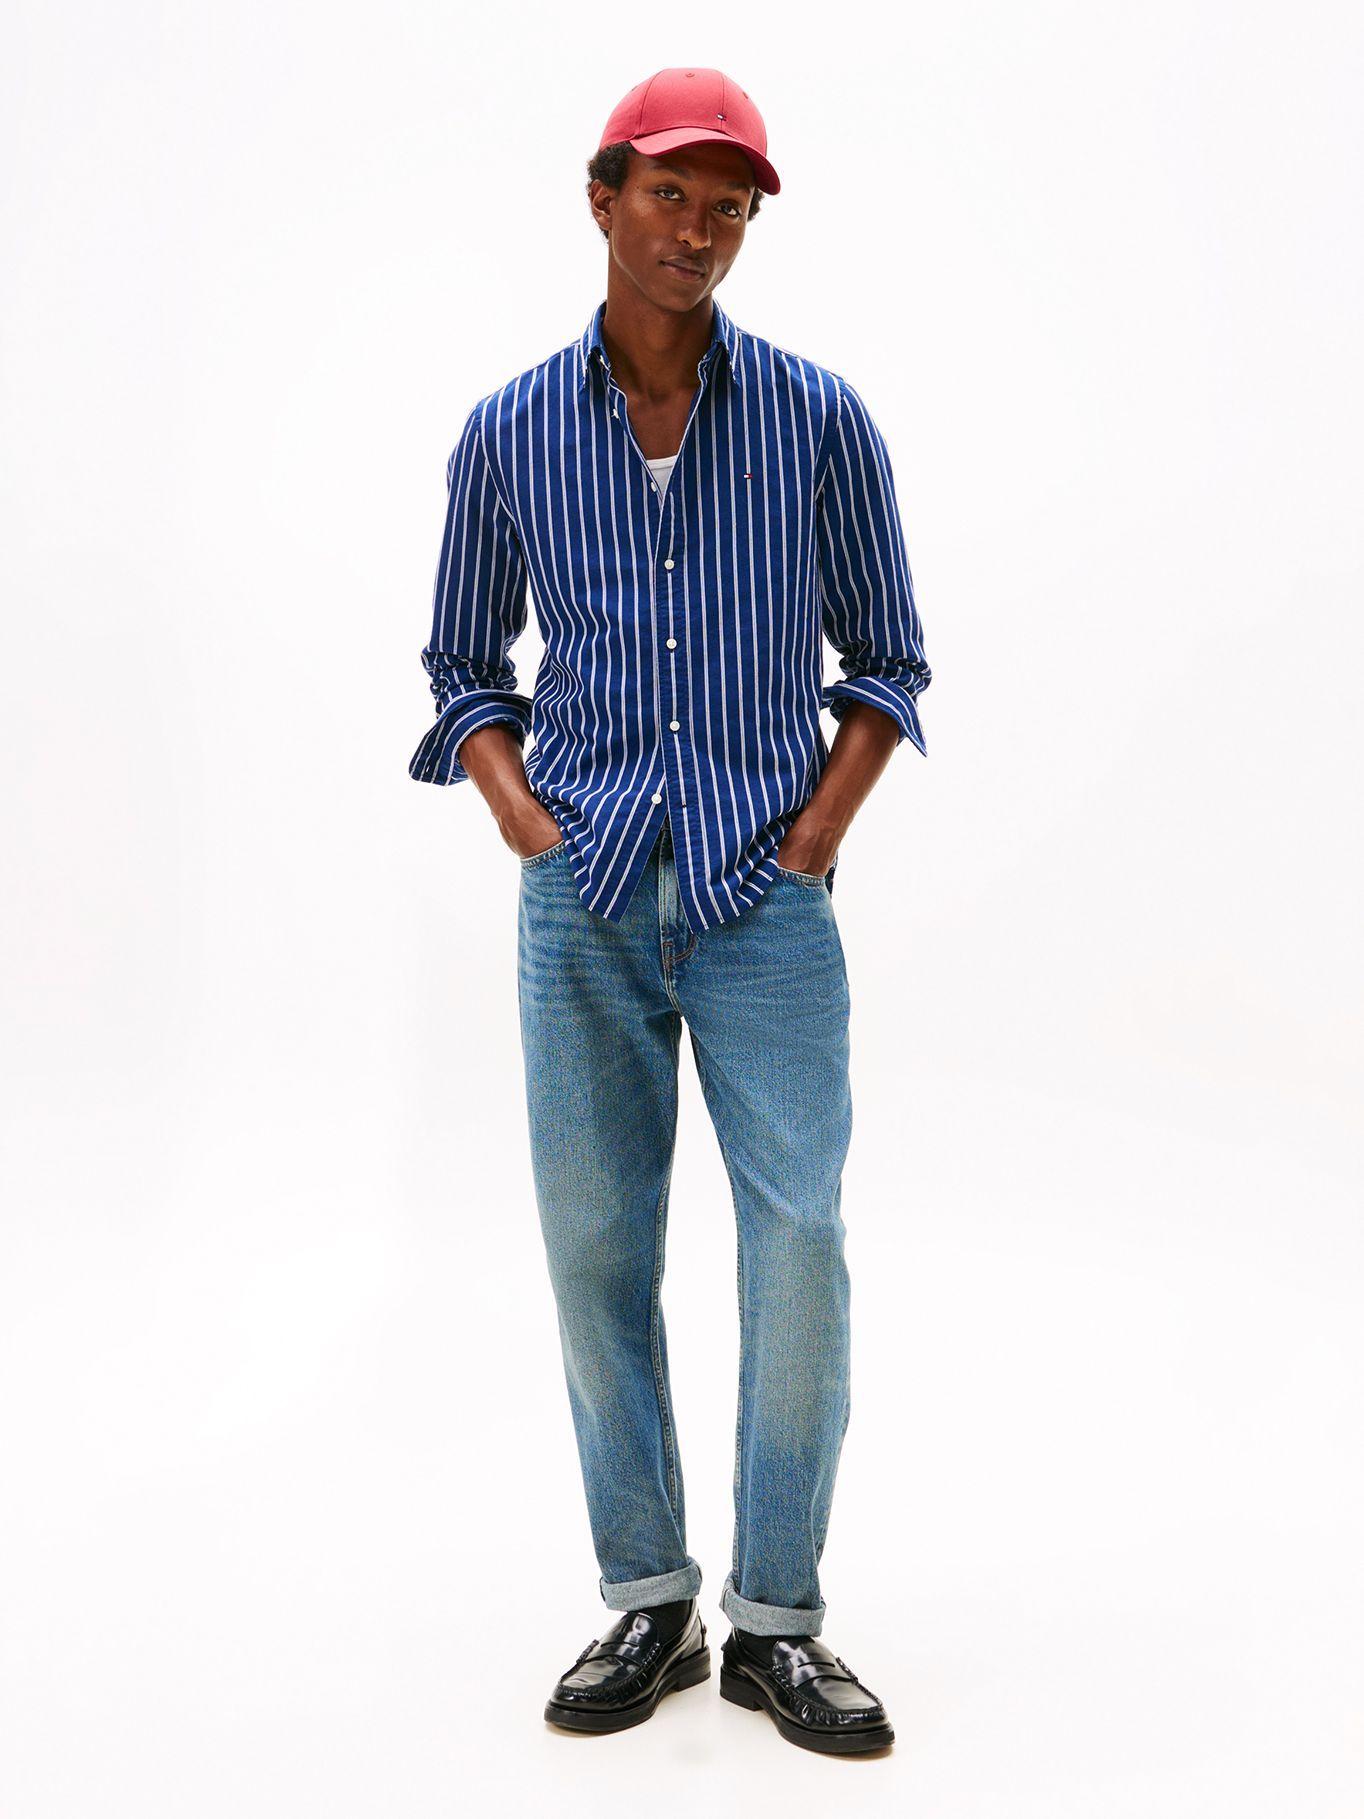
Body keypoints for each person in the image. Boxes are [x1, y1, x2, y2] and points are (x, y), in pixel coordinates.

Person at [408, 67, 930, 1756]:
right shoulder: (510, 430)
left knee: (801, 1242)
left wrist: (814, 839)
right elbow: (462, 665)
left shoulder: (820, 419)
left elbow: (891, 662)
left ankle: (779, 1622)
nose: (698, 231)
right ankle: (649, 1598)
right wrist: (529, 826)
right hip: (583, 902)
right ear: (603, 196)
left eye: (729, 208)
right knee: (597, 1251)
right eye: (670, 196)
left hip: (763, 899)